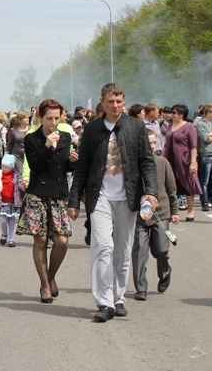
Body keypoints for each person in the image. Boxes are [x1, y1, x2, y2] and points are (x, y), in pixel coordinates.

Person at [68, 83, 159, 322]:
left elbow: (147, 161)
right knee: (102, 247)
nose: (115, 105)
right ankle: (105, 302)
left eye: (119, 101)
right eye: (110, 101)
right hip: (99, 195)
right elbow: (83, 166)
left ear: (124, 101)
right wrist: (74, 199)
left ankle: (119, 298)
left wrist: (152, 192)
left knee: (122, 250)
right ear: (102, 102)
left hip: (128, 195)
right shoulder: (92, 129)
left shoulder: (135, 127)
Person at [17, 99, 77, 303]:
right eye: (49, 118)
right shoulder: (32, 138)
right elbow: (35, 165)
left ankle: (51, 276)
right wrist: (47, 146)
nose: (54, 122)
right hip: (38, 193)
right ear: (41, 118)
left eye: (57, 118)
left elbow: (62, 167)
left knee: (62, 241)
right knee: (41, 240)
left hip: (59, 194)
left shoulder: (66, 137)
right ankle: (44, 284)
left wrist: (71, 162)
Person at [132, 130, 179, 301]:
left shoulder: (162, 162)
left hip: (161, 213)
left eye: (154, 142)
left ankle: (165, 272)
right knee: (139, 251)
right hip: (139, 215)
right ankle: (141, 288)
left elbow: (171, 189)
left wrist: (174, 211)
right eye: (148, 143)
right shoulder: (132, 164)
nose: (152, 146)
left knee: (161, 249)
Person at [163, 104, 202, 221]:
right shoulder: (170, 126)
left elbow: (193, 146)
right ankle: (172, 211)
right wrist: (162, 159)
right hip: (170, 159)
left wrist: (193, 162)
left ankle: (191, 210)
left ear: (181, 114)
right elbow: (166, 144)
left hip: (184, 159)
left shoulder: (189, 127)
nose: (172, 115)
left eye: (174, 113)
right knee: (170, 184)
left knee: (188, 183)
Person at [0, 154, 22, 247]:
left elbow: (21, 186)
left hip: (13, 202)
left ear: (12, 167)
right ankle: (4, 234)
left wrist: (25, 184)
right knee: (3, 220)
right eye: (3, 166)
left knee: (11, 221)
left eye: (6, 167)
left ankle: (11, 239)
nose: (4, 169)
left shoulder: (16, 176)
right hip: (2, 202)